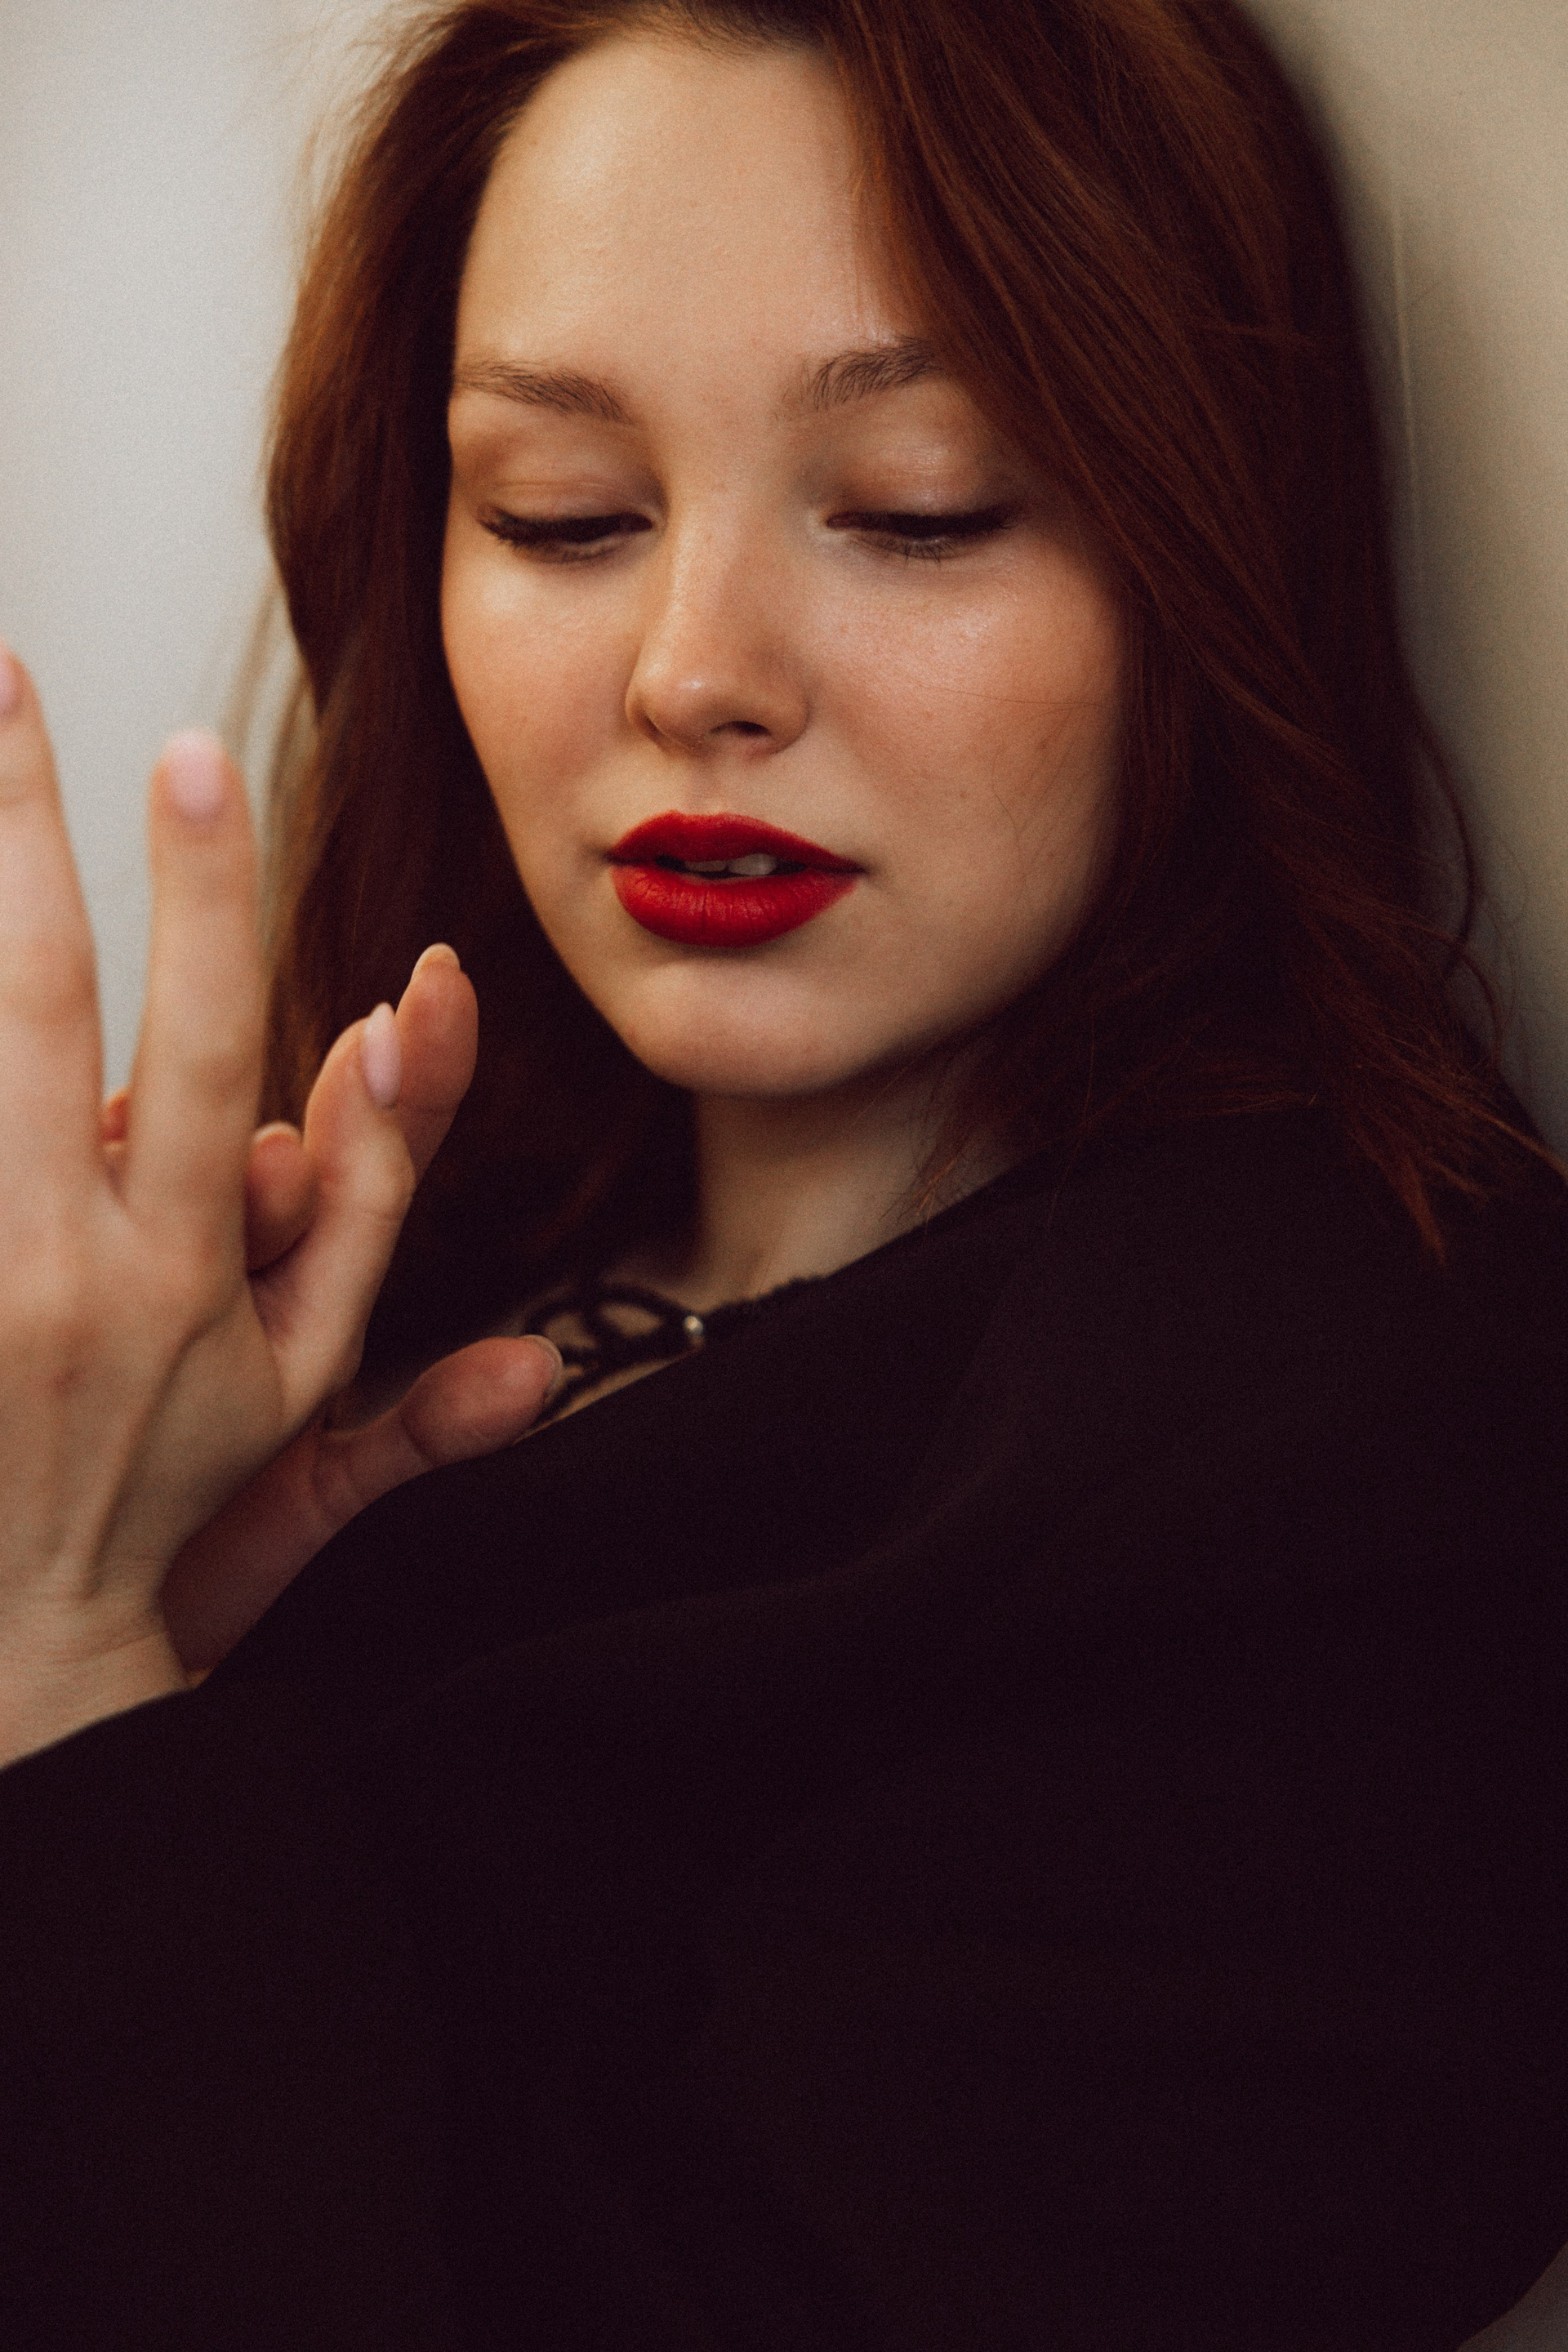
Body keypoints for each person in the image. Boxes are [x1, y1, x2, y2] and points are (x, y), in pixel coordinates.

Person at [1, 1, 1565, 2345]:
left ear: (1205, 548)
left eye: (921, 506)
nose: (694, 672)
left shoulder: (1368, 1446)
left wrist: (63, 1678)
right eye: (564, 514)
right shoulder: (355, 1257)